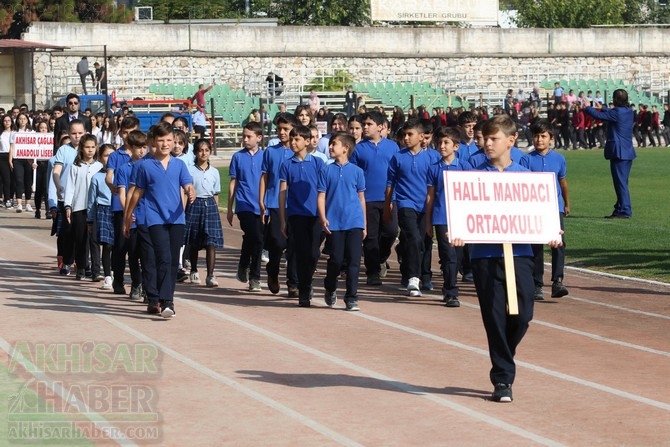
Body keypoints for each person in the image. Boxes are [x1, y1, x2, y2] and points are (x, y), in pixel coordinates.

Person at [452, 114, 562, 402]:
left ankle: (505, 354)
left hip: (521, 253)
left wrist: (552, 230)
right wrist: (460, 232)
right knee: (494, 316)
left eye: (493, 138)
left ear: (511, 140)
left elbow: (541, 214)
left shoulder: (527, 178)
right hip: (485, 255)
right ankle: (503, 378)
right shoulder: (473, 176)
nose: (487, 144)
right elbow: (464, 212)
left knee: (523, 314)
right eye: (485, 139)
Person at [124, 121, 195, 318]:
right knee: (163, 257)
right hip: (154, 218)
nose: (165, 144)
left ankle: (162, 298)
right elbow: (137, 193)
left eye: (169, 140)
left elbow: (188, 184)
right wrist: (128, 216)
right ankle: (167, 301)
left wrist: (190, 191)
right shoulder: (145, 166)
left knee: (173, 261)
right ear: (154, 141)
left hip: (176, 219)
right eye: (161, 140)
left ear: (174, 142)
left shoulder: (179, 165)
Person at [349, 111, 399, 286]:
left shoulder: (393, 147)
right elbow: (353, 174)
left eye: (369, 124)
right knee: (370, 236)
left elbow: (397, 172)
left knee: (391, 232)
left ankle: (382, 257)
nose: (365, 127)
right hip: (367, 198)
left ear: (380, 127)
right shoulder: (359, 149)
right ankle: (373, 272)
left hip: (389, 199)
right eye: (364, 124)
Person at [384, 118, 433, 296]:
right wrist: (387, 206)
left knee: (422, 240)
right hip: (405, 203)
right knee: (413, 237)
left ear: (421, 137)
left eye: (410, 134)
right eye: (404, 134)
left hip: (425, 205)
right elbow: (390, 183)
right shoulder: (398, 157)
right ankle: (414, 277)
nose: (406, 138)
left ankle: (418, 273)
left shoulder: (432, 157)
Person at [318, 132, 366, 311]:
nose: (330, 147)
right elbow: (321, 195)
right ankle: (330, 287)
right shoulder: (326, 170)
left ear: (345, 148)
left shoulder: (357, 172)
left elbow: (361, 198)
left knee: (354, 262)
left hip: (354, 221)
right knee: (336, 260)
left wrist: (364, 224)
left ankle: (352, 297)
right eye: (330, 144)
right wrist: (323, 217)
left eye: (334, 144)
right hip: (334, 223)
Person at [522, 120, 570, 300]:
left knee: (558, 243)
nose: (539, 140)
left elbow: (562, 182)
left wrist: (566, 203)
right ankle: (536, 284)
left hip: (554, 207)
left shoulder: (559, 159)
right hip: (534, 208)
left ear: (551, 138)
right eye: (536, 136)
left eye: (543, 136)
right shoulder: (527, 159)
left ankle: (557, 280)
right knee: (536, 246)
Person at [278, 125, 325, 307]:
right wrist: (283, 219)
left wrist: (324, 214)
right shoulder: (287, 164)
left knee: (313, 253)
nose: (293, 143)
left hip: (315, 215)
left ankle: (307, 281)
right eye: (292, 139)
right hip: (296, 215)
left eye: (297, 139)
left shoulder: (318, 163)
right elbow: (283, 192)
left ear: (307, 141)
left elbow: (323, 191)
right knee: (302, 253)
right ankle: (303, 290)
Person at [425, 126, 467, 308]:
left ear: (456, 146)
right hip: (441, 217)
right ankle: (451, 292)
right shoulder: (434, 169)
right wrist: (428, 222)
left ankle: (450, 281)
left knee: (457, 257)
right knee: (448, 255)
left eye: (446, 143)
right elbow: (430, 196)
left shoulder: (465, 167)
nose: (441, 146)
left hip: (461, 218)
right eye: (439, 142)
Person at [259, 113, 298, 296]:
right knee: (277, 241)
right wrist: (262, 200)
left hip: (296, 205)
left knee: (294, 245)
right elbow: (265, 176)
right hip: (275, 203)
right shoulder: (270, 151)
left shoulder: (298, 153)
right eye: (279, 129)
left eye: (286, 129)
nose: (282, 132)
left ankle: (293, 282)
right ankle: (272, 271)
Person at [584, 89, 635, 219]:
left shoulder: (617, 113)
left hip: (618, 152)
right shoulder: (629, 111)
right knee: (622, 182)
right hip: (627, 151)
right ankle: (619, 208)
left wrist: (588, 108)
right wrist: (603, 108)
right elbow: (613, 113)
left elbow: (599, 116)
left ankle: (625, 210)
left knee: (620, 183)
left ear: (615, 99)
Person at [227, 121, 264, 292]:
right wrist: (229, 207)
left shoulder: (265, 156)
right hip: (244, 205)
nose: (245, 139)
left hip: (262, 206)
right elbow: (233, 182)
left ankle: (246, 267)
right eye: (244, 136)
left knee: (256, 240)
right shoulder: (238, 157)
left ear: (259, 138)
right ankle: (254, 275)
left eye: (249, 136)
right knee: (255, 236)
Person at [105, 115, 141, 294]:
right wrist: (115, 187)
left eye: (132, 132)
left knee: (137, 249)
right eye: (125, 133)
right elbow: (109, 175)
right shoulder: (115, 155)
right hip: (121, 206)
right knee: (120, 246)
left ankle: (137, 283)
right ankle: (118, 280)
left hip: (140, 209)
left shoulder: (144, 153)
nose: (128, 136)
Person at [184, 139, 223, 288]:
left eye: (207, 150)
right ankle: (193, 269)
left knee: (210, 242)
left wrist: (216, 208)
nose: (204, 153)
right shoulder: (190, 170)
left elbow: (216, 193)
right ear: (195, 152)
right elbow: (186, 191)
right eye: (200, 150)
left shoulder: (215, 172)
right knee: (194, 240)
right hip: (195, 204)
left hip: (210, 205)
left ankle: (210, 275)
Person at [63, 134, 102, 280]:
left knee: (94, 240)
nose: (90, 150)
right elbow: (70, 187)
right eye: (87, 147)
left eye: (93, 147)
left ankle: (94, 269)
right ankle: (81, 267)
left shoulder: (99, 166)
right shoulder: (75, 166)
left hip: (96, 208)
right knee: (80, 238)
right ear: (81, 148)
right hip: (79, 207)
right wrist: (68, 205)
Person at [115, 130, 148, 300]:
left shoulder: (150, 165)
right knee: (133, 253)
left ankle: (147, 286)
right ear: (130, 147)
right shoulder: (124, 169)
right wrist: (128, 213)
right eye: (138, 147)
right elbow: (122, 193)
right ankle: (136, 283)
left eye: (144, 147)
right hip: (133, 216)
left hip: (148, 216)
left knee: (147, 254)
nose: (141, 151)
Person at [51, 120, 87, 276]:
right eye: (73, 133)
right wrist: (58, 185)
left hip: (84, 198)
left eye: (80, 133)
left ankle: (83, 264)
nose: (77, 136)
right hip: (66, 198)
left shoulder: (90, 149)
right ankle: (66, 262)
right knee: (68, 232)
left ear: (85, 133)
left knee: (84, 233)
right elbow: (56, 171)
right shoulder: (63, 150)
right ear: (69, 134)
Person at [87, 143, 115, 289]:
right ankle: (108, 276)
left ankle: (117, 273)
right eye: (106, 155)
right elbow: (91, 200)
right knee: (107, 245)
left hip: (118, 210)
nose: (109, 159)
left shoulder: (120, 173)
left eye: (112, 155)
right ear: (100, 158)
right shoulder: (97, 177)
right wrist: (90, 220)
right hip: (103, 210)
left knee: (118, 245)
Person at [9, 112, 34, 213]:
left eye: (24, 118)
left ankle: (27, 203)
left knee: (28, 182)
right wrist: (10, 160)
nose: (22, 120)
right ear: (17, 120)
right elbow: (12, 146)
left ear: (27, 120)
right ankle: (19, 203)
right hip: (18, 159)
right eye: (20, 119)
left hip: (28, 159)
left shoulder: (32, 132)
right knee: (19, 181)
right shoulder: (14, 132)